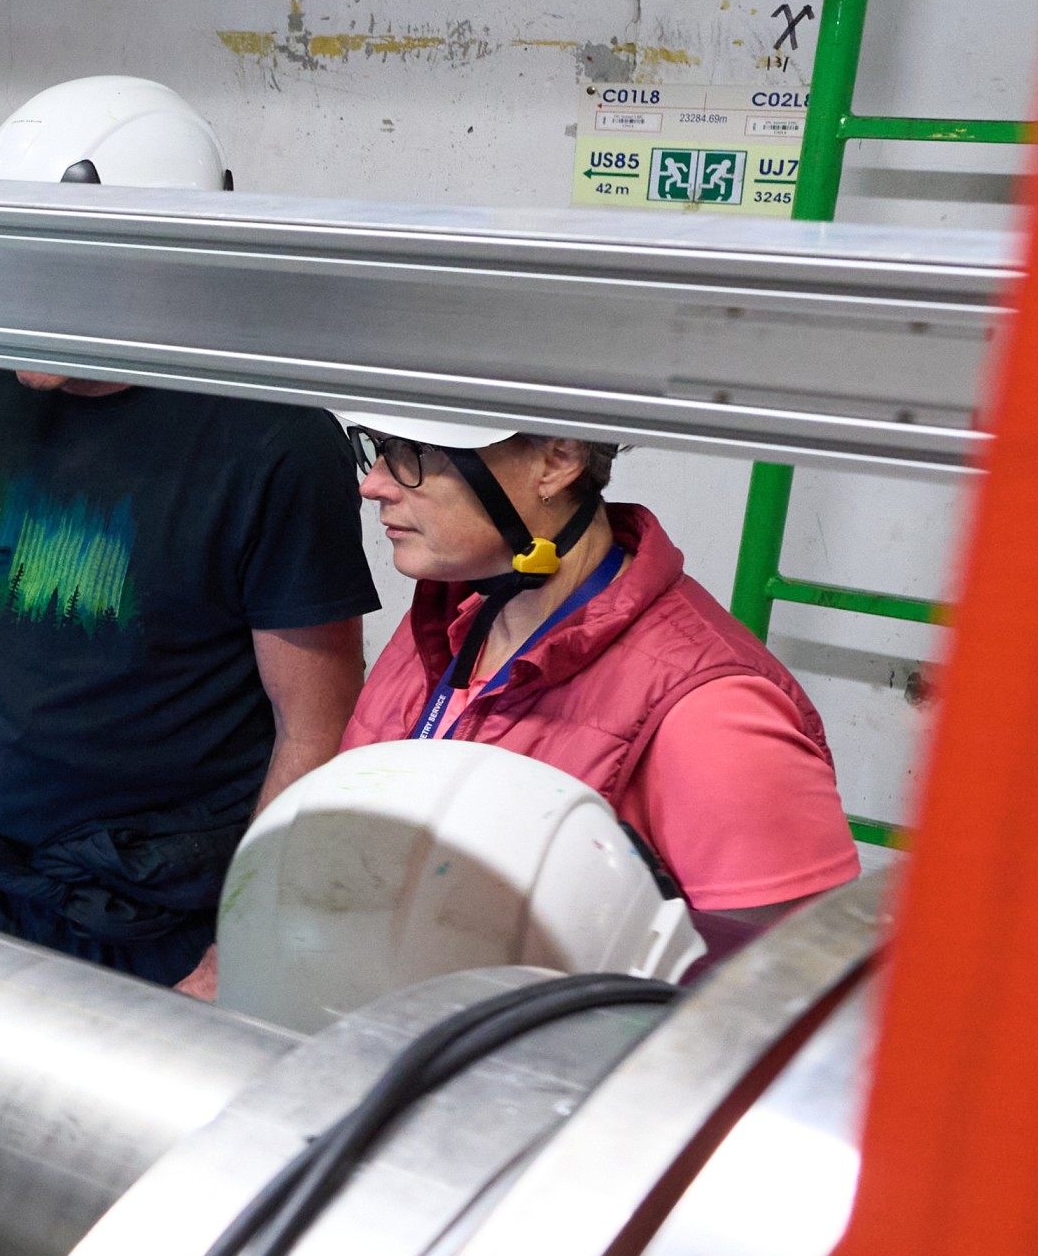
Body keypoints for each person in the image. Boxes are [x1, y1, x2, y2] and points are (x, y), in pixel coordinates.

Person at [0, 77, 374, 983]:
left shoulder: (272, 441)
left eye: (58, 267)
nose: (20, 302)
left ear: (161, 256)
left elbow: (312, 727)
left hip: (148, 912)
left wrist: (246, 940)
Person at [337, 407, 858, 957]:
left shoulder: (712, 714)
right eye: (376, 447)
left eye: (412, 454)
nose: (372, 485)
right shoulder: (446, 621)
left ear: (557, 459)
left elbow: (780, 1003)